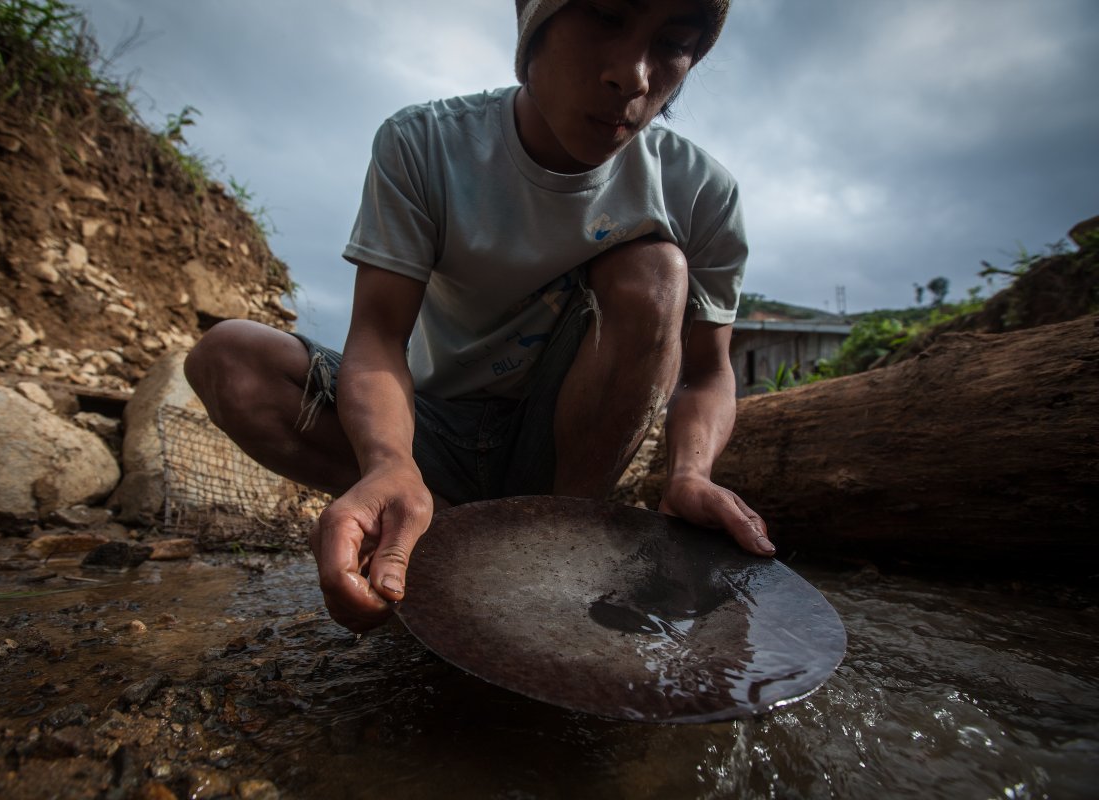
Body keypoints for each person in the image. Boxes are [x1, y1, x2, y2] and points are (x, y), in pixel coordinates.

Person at [184, 0, 773, 633]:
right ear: (533, 26)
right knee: (230, 358)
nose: (632, 76)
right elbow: (378, 337)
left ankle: (561, 541)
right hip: (432, 431)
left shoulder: (699, 190)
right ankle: (436, 525)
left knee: (656, 269)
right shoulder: (425, 143)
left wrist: (690, 473)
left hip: (560, 450)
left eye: (673, 44)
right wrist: (388, 462)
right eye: (606, 18)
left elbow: (707, 374)